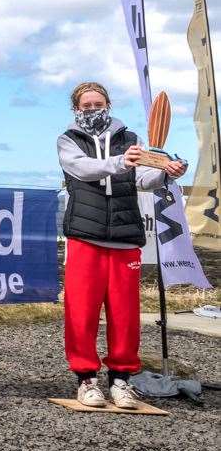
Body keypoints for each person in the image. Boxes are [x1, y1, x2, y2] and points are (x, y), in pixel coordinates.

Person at [58, 81, 185, 410]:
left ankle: (121, 380)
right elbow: (81, 169)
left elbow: (143, 178)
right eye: (86, 105)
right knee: (82, 312)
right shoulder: (69, 140)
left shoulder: (131, 139)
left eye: (97, 103)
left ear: (108, 104)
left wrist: (167, 172)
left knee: (125, 315)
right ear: (76, 109)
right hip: (85, 235)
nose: (92, 109)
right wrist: (121, 163)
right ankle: (86, 379)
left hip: (125, 239)